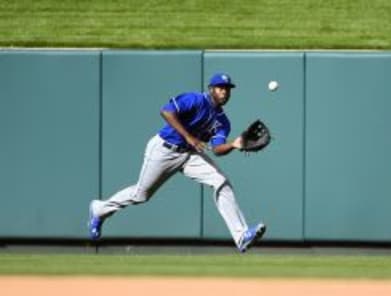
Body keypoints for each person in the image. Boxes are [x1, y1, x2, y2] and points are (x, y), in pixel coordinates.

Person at [88, 73, 266, 252]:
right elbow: (166, 111)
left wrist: (235, 144)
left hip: (190, 155)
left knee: (221, 182)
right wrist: (188, 136)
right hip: (164, 149)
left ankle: (241, 236)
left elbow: (217, 150)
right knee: (141, 195)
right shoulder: (195, 99)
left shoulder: (223, 121)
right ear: (211, 89)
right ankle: (100, 209)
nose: (225, 92)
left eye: (228, 89)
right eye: (221, 88)